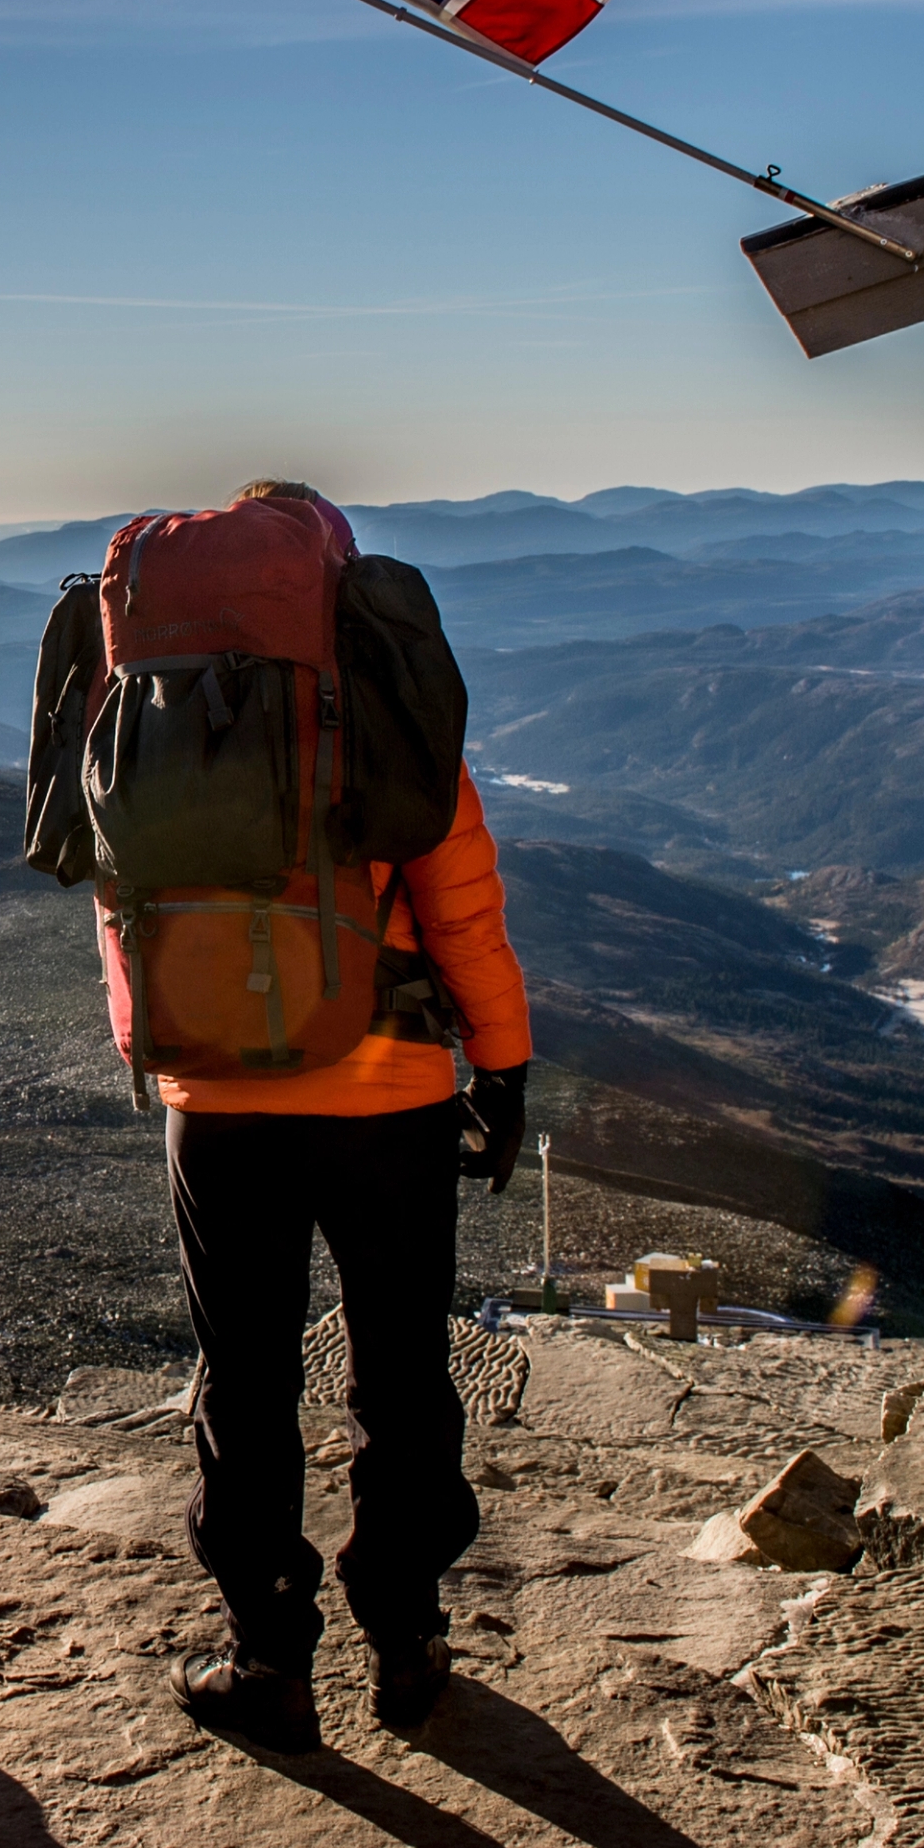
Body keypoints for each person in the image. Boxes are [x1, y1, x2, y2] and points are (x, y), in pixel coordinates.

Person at [166, 479, 534, 1752]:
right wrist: (503, 1057)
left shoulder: (144, 702)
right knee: (401, 1364)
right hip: (386, 1091)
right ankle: (408, 1628)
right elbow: (459, 893)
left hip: (212, 1098)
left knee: (246, 1374)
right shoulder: (379, 698)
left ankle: (267, 1652)